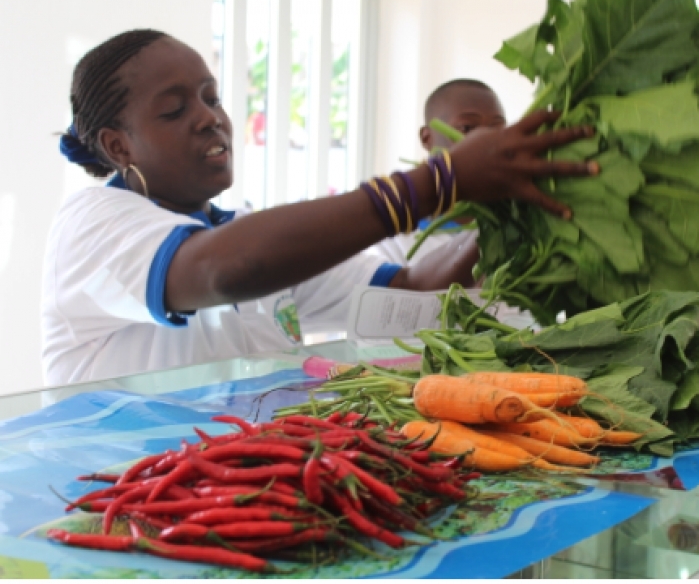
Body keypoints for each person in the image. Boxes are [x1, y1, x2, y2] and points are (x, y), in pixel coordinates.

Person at [41, 30, 597, 385]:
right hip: (119, 516)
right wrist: (440, 181)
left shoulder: (244, 237)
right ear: (118, 146)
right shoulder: (91, 224)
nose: (210, 117)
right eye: (174, 109)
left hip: (233, 507)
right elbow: (227, 269)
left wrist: (513, 199)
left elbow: (409, 290)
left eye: (212, 97)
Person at [365, 78, 506, 265]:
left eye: (497, 129)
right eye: (467, 128)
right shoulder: (392, 237)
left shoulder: (519, 221)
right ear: (427, 138)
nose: (485, 142)